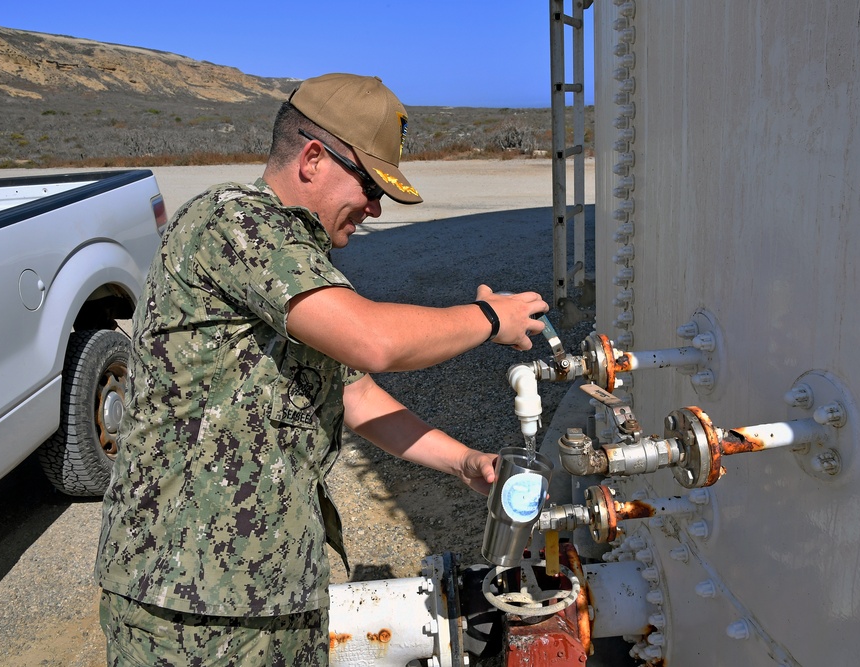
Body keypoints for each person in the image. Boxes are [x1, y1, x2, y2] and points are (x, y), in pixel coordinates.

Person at [94, 72, 548, 666]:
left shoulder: (298, 267)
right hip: (189, 608)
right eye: (368, 184)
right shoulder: (231, 224)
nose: (376, 207)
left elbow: (356, 396)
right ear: (312, 158)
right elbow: (373, 340)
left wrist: (462, 461)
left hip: (274, 597)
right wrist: (490, 317)